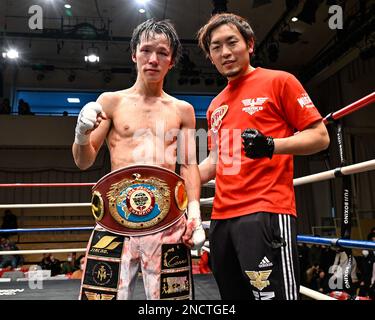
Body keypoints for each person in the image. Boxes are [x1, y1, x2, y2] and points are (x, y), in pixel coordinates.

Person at [197, 13, 330, 300]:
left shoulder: (279, 81)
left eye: (232, 42)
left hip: (265, 210)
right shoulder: (215, 105)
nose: (225, 52)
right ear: (210, 56)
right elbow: (216, 161)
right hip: (221, 218)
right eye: (216, 47)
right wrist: (175, 179)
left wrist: (272, 145)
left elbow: (320, 137)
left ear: (250, 45)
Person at [72, 19, 205, 300]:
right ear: (134, 54)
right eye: (146, 50)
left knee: (172, 303)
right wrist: (81, 134)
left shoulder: (183, 110)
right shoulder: (111, 102)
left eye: (162, 53)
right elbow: (84, 161)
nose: (153, 59)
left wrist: (195, 213)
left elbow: (189, 165)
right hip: (114, 222)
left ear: (172, 61)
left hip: (168, 222)